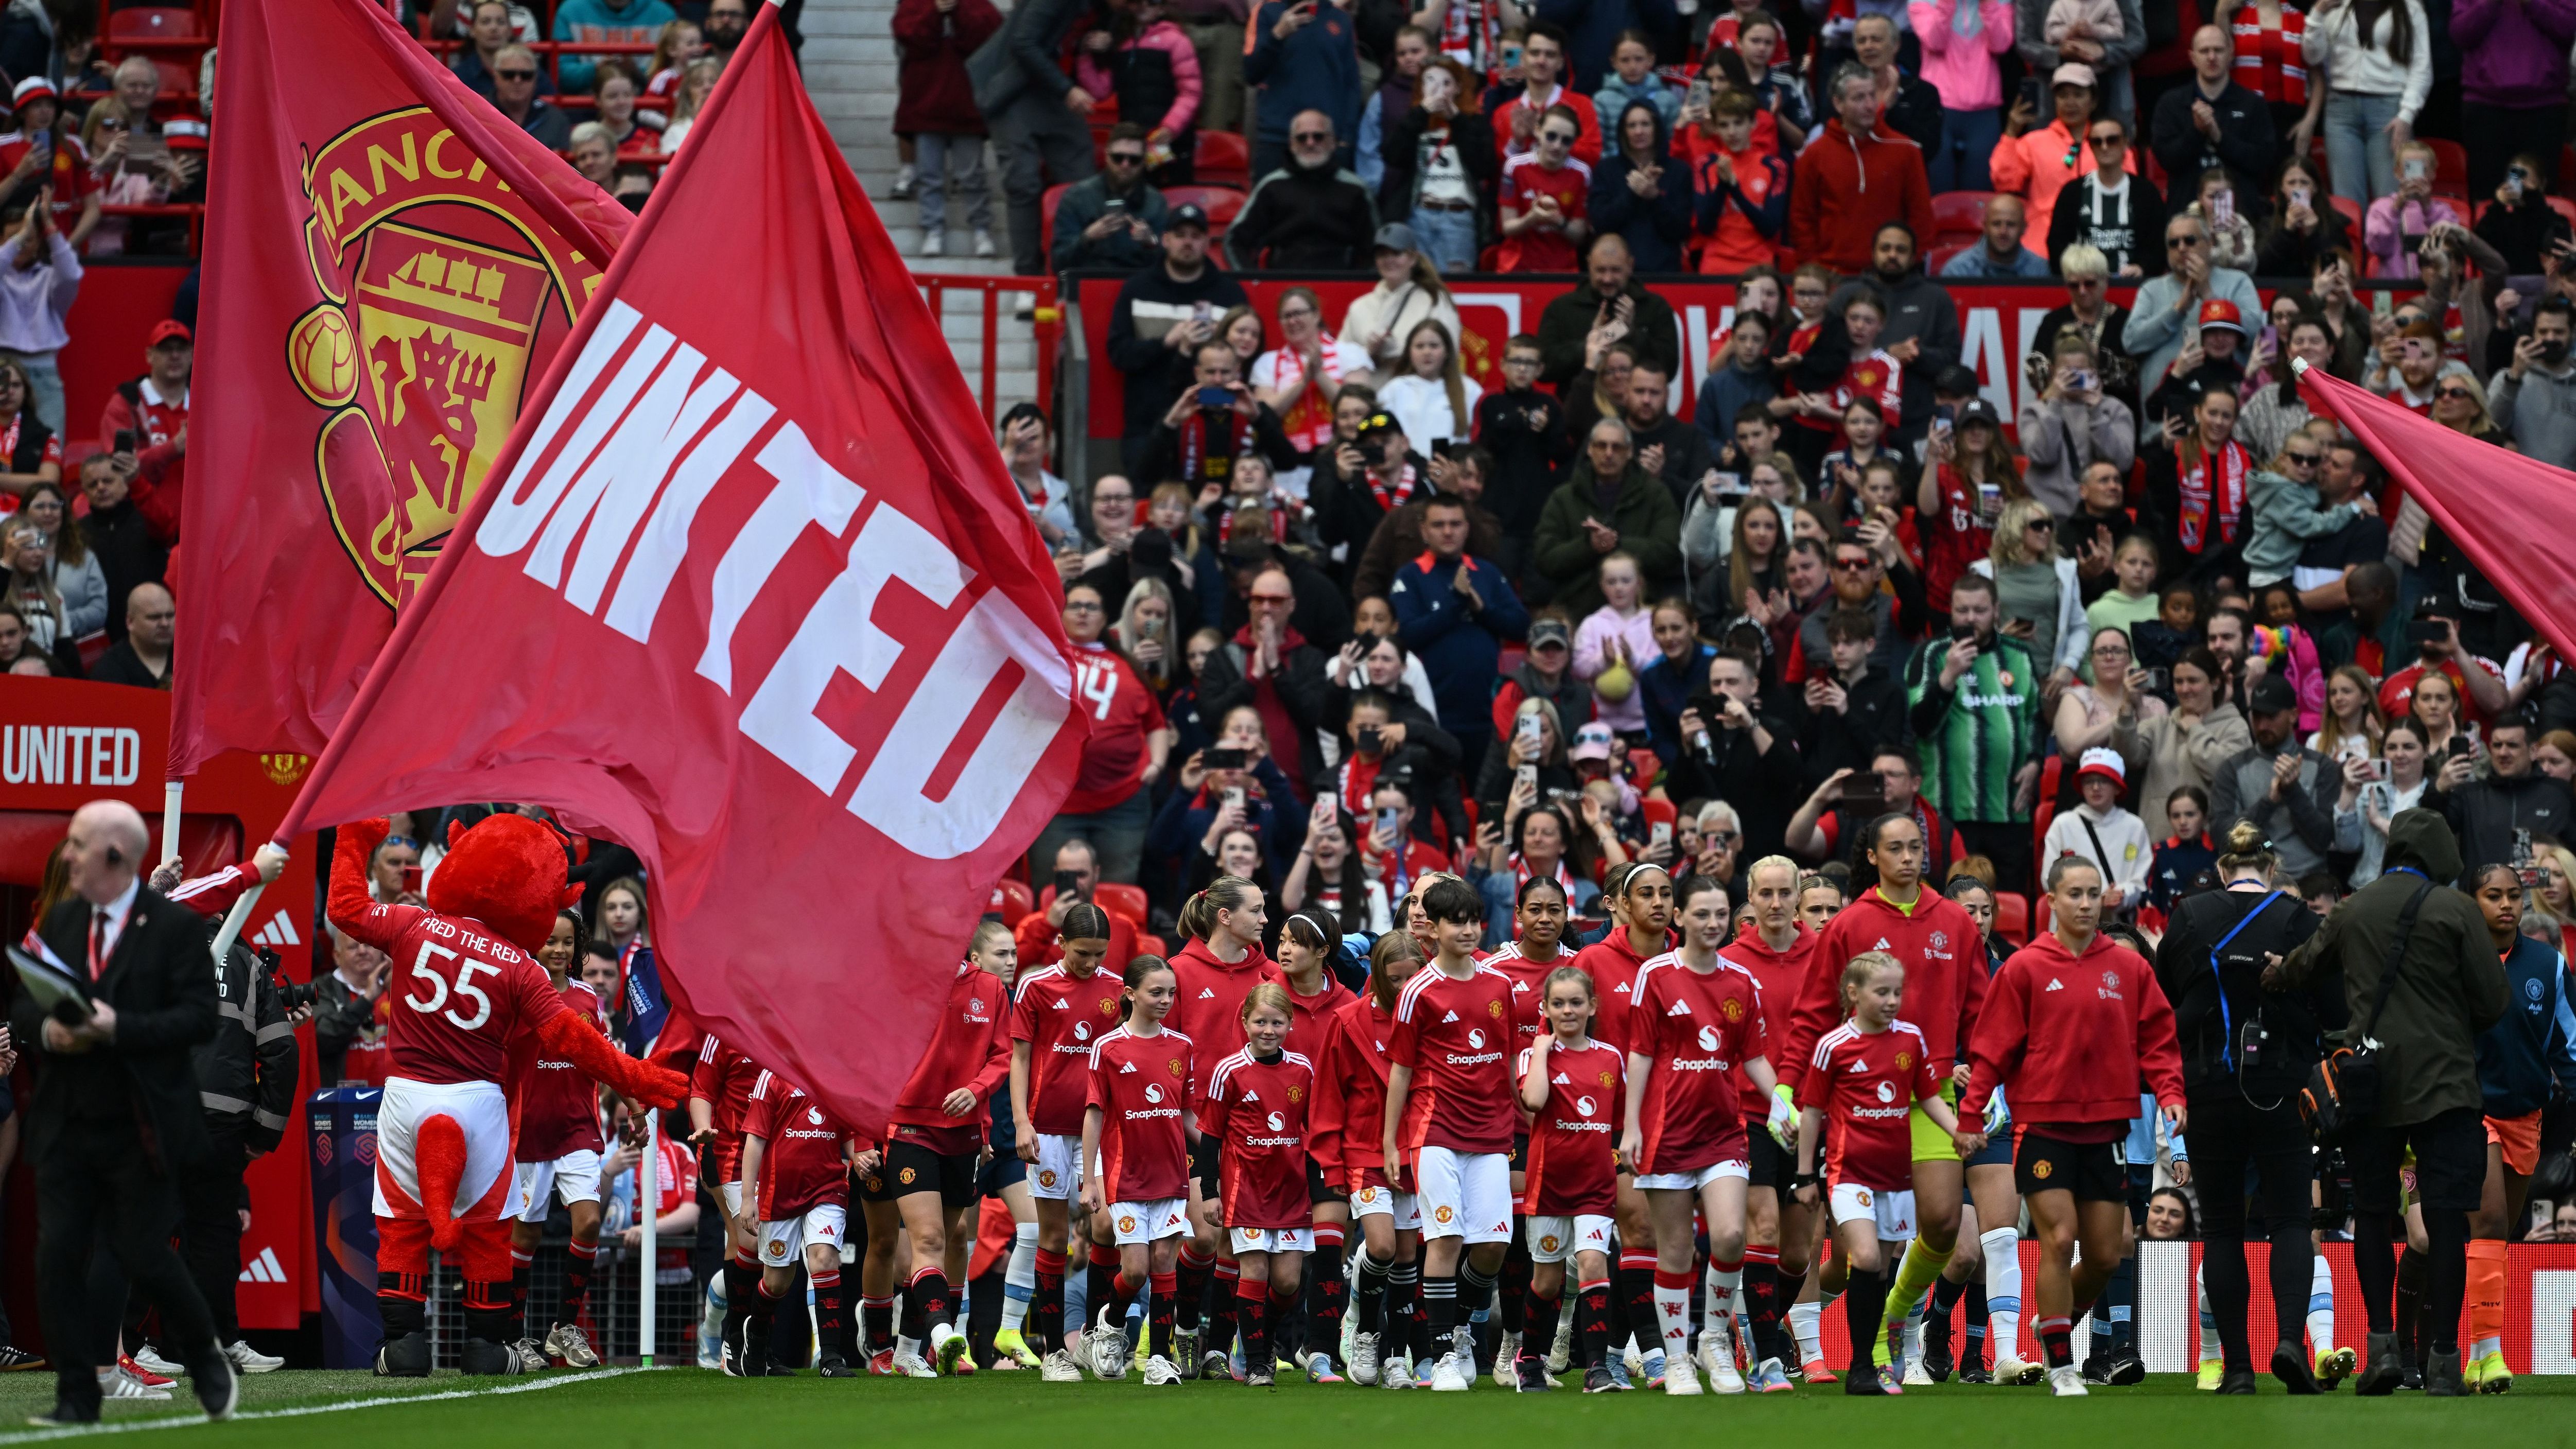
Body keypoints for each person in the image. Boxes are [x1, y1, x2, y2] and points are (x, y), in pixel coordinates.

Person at [2266, 808, 2507, 1396]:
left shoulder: (2353, 908)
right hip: (2446, 1083)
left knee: (2372, 1213)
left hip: (2366, 1082)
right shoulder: (2457, 910)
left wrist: (2271, 973)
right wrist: (2448, 1022)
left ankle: (2381, 1350)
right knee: (2448, 1217)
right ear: (2440, 855)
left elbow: (2303, 969)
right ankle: (2445, 1359)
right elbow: (2494, 999)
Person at [15, 803, 238, 1425]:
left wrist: (121, 1026)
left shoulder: (169, 932)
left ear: (112, 859)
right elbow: (26, 1009)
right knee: (59, 1251)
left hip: (143, 1116)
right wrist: (50, 1033)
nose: (65, 855)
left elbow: (197, 1020)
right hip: (71, 1116)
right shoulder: (59, 926)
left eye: (79, 845)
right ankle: (85, 1384)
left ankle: (196, 1351)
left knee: (136, 1250)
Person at [1961, 854, 2184, 1398]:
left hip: (2107, 1129)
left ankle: (2052, 1321)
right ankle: (2062, 1365)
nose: (2085, 904)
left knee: (2110, 1253)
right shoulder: (2025, 967)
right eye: (2074, 894)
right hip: (2042, 1126)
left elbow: (2157, 1037)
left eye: (2093, 894)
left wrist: (2172, 1093)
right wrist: (1970, 1115)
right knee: (2059, 1238)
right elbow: (1991, 1048)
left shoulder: (2128, 968)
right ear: (2051, 900)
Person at [1779, 810, 1988, 1375]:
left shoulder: (1955, 921)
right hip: (1861, 1096)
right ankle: (1871, 1351)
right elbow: (1812, 1015)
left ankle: (1898, 1310)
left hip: (1933, 1090)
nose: (1908, 857)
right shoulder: (1850, 923)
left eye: (1915, 847)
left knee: (1943, 1223)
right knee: (1871, 1243)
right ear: (1872, 855)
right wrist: (1785, 1088)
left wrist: (1991, 1082)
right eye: (1894, 847)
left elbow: (1983, 1015)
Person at [1623, 875, 1785, 1396]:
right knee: (1674, 1250)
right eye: (1702, 914)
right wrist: (1631, 1127)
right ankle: (1676, 1360)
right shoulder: (1656, 975)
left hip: (1723, 1132)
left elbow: (1754, 1057)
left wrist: (1783, 1100)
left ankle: (1714, 1339)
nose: (1713, 923)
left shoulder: (1741, 981)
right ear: (1680, 918)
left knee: (1732, 1235)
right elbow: (1641, 1055)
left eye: (1721, 914)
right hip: (1666, 1133)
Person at [1794, 951, 1963, 1395]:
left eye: (1897, 992)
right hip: (1849, 1173)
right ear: (1854, 994)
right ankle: (1862, 1363)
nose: (1892, 1001)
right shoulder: (1834, 1045)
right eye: (1881, 992)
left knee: (1882, 1267)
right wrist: (1804, 1174)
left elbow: (1928, 1098)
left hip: (1897, 1177)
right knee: (1865, 1258)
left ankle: (1867, 1365)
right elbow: (1812, 1113)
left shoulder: (1911, 1039)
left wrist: (1959, 1132)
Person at [1380, 877, 1519, 1391]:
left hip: (1491, 1133)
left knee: (1493, 1246)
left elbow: (1506, 1059)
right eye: (1456, 921)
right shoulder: (1418, 990)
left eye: (1474, 920)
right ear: (1432, 929)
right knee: (1445, 1238)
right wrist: (1392, 1142)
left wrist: (1521, 1105)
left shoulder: (1499, 985)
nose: (1467, 929)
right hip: (1435, 1131)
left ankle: (1460, 1327)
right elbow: (1400, 1070)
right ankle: (1441, 1357)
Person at [2461, 864, 2576, 1390]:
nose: (2506, 905)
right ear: (2472, 901)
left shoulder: (2549, 964)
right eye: (2493, 896)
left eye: (2514, 896)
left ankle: (2473, 1352)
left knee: (2497, 1237)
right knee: (2488, 1223)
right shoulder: (2453, 960)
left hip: (2526, 1114)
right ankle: (2492, 1353)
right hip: (2468, 1109)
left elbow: (2567, 1043)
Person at [1079, 954, 1194, 1384]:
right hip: (1125, 1176)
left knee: (1166, 1261)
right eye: (1156, 992)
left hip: (1172, 1175)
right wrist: (1090, 1178)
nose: (1166, 1000)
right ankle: (1108, 1326)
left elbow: (1186, 1115)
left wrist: (1224, 1148)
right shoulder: (1107, 1047)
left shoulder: (1182, 1046)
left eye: (1171, 992)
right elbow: (1094, 1113)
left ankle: (1160, 1358)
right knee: (1136, 1270)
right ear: (1130, 994)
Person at [1513, 962, 1624, 1391]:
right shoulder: (1532, 1055)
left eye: (1577, 1002)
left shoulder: (1610, 1057)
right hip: (1549, 1186)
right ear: (1545, 1007)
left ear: (1592, 1005)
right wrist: (1542, 1049)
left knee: (1595, 1264)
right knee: (1547, 1279)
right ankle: (1528, 1359)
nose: (1568, 1010)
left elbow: (1622, 1118)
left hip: (1596, 1185)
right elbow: (1535, 1099)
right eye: (1558, 1003)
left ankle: (1596, 1368)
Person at [1198, 983, 1314, 1388]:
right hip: (1244, 1189)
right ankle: (1259, 1360)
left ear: (1290, 1024)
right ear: (1245, 1022)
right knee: (1256, 1269)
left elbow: (1312, 1130)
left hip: (1291, 1191)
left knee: (1286, 1282)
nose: (1268, 1029)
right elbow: (1210, 1135)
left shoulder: (1303, 1069)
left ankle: (1252, 1339)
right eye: (1260, 1021)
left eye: (1277, 1022)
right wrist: (1210, 1191)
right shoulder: (1228, 1071)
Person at [1905, 572, 2042, 891]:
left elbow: (2035, 717)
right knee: (1951, 903)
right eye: (1962, 611)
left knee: (2008, 907)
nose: (1971, 619)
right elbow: (1919, 726)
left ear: (1996, 610)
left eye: (1980, 611)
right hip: (1949, 809)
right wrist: (1949, 676)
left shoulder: (2019, 656)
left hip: (2010, 809)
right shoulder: (1932, 655)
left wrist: (2035, 761)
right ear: (1950, 611)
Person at [1103, 209, 1248, 476]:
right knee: (1148, 504)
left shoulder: (1230, 294)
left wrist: (1220, 343)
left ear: (1207, 243)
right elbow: (1118, 354)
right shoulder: (1137, 289)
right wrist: (1165, 342)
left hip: (1213, 425)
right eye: (1180, 236)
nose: (1188, 243)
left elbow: (1245, 363)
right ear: (1166, 240)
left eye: (1196, 236)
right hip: (1147, 425)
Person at [968, 0, 1104, 275]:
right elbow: (1023, 43)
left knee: (1083, 178)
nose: (1130, 7)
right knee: (1023, 182)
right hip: (1013, 89)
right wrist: (1067, 90)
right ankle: (1027, 277)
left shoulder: (1105, 10)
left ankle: (1076, 269)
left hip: (1049, 86)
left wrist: (1102, 41)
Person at [1391, 492, 1526, 767]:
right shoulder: (1410, 576)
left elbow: (1521, 626)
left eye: (1456, 524)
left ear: (1467, 529)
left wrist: (1482, 610)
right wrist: (1455, 604)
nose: (1448, 531)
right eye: (1439, 525)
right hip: (1431, 713)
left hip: (1485, 711)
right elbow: (1406, 636)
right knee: (1439, 801)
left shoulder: (1486, 572)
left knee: (1487, 800)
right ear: (1424, 531)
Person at [1787, 64, 1935, 275]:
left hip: (1892, 275)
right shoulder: (1815, 155)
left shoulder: (1906, 149)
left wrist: (1911, 265)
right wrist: (1814, 269)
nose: (1869, 105)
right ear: (1838, 104)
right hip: (1832, 274)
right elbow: (1802, 219)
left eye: (1872, 96)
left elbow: (1921, 216)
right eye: (1859, 98)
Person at [2304, 0, 2431, 206]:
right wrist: (2317, 13)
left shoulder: (2411, 7)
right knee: (2346, 203)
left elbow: (2422, 66)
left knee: (2390, 199)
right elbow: (2312, 56)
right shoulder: (2336, 4)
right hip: (2340, 107)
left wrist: (2407, 114)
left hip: (2388, 107)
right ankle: (2352, 239)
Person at [2123, 213, 2261, 397]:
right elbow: (2131, 342)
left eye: (2189, 241)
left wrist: (2209, 297)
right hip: (2165, 416)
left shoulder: (2238, 282)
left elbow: (2256, 335)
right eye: (2174, 243)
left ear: (2210, 243)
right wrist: (2177, 310)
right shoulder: (2151, 289)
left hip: (2227, 414)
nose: (2181, 248)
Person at [2426, 708, 2576, 877]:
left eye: (2512, 745)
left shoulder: (2558, 794)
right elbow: (2432, 832)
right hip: (2478, 899)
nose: (2503, 753)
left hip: (2540, 899)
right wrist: (2438, 789)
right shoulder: (2470, 794)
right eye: (2497, 745)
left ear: (2533, 751)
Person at [1990, 63, 2119, 250]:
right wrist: (2011, 133)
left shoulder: (2109, 143)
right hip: (2042, 244)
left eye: (2078, 95)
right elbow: (2004, 182)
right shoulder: (2034, 142)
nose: (2070, 103)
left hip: (2099, 241)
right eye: (2063, 95)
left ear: (2093, 101)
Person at [2149, 25, 2277, 211]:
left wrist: (2220, 138)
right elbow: (2167, 159)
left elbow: (2262, 161)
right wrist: (2197, 132)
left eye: (2218, 50)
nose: (2211, 57)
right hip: (2186, 217)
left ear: (2231, 54)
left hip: (2241, 215)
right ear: (2193, 58)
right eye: (2204, 51)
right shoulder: (2171, 104)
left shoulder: (2252, 104)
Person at [1228, 112, 1379, 270]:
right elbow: (1234, 241)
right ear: (1292, 145)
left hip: (1342, 285)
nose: (1310, 143)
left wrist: (1361, 287)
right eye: (1302, 138)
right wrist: (1253, 282)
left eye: (1318, 137)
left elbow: (1377, 248)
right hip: (1281, 285)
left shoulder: (1356, 189)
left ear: (1333, 142)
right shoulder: (1272, 186)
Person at [1534, 236, 1677, 387]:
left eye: (1616, 270)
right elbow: (1543, 369)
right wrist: (1588, 347)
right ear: (1589, 265)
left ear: (1630, 265)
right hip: (1580, 406)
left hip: (1635, 409)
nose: (1607, 279)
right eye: (1601, 270)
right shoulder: (1562, 308)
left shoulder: (1655, 307)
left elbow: (1669, 369)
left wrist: (1633, 335)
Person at [1243, 0, 1361, 182]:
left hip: (1325, 139)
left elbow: (1352, 84)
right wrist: (1277, 35)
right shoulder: (1267, 11)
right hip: (1277, 138)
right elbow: (1251, 74)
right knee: (1272, 208)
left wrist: (1346, 138)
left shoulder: (1341, 19)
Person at [96, 319, 188, 520]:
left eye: (181, 349)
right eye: (166, 349)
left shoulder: (207, 404)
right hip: (139, 524)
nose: (174, 356)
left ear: (192, 354)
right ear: (149, 356)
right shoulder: (127, 403)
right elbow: (117, 468)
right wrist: (173, 449)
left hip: (200, 526)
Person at [1342, 229, 1463, 375]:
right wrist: (1369, 352)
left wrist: (1397, 354)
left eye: (1396, 253)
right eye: (1382, 255)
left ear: (1413, 259)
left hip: (1419, 394)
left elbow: (1450, 353)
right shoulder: (1359, 307)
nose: (1389, 260)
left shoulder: (1435, 299)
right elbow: (1340, 362)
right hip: (1369, 395)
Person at [1051, 124, 1170, 273]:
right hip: (1089, 281)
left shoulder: (1156, 202)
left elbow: (1172, 266)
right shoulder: (1076, 197)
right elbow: (1059, 263)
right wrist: (1088, 238)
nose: (1125, 165)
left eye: (1134, 160)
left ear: (1144, 161)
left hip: (1138, 283)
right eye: (1118, 158)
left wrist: (1151, 242)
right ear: (1107, 155)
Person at [1590, 100, 1690, 275]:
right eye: (1632, 125)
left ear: (1657, 128)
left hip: (1666, 273)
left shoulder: (1678, 171)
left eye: (1645, 124)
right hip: (1616, 276)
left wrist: (1655, 197)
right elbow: (1601, 224)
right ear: (1623, 131)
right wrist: (1633, 193)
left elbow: (1680, 230)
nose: (1639, 131)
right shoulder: (1606, 169)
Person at [2490, 295, 2576, 470]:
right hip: (2521, 486)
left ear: (2573, 333)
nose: (2550, 338)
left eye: (2559, 332)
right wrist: (2515, 377)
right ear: (2533, 333)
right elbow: (2491, 426)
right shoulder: (2508, 378)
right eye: (2543, 332)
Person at [2362, 139, 2463, 281]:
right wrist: (2395, 209)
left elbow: (2453, 247)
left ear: (2433, 173)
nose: (2416, 176)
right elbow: (2377, 247)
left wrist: (2428, 208)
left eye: (2422, 169)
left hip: (2435, 287)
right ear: (2397, 172)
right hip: (2395, 287)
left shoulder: (2444, 211)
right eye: (2410, 168)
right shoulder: (2381, 208)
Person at [87, 581, 172, 690]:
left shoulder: (189, 661)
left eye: (170, 616)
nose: (165, 623)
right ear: (130, 622)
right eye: (154, 617)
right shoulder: (109, 670)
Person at [1940, 194, 2049, 278]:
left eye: (2011, 225)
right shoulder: (1958, 271)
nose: (2003, 232)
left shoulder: (2042, 271)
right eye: (1996, 224)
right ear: (1985, 227)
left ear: (2024, 228)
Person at [487, 43, 571, 149]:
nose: (517, 81)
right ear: (495, 76)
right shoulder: (479, 115)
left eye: (526, 75)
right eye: (509, 75)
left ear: (536, 78)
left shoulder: (555, 119)